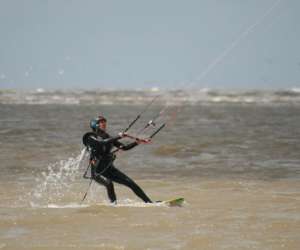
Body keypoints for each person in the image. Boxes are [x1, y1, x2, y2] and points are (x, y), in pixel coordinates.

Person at [82, 115, 152, 204]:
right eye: (101, 122)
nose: (104, 124)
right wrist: (118, 136)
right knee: (109, 183)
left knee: (131, 183)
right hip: (97, 171)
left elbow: (124, 147)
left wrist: (137, 142)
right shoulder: (89, 137)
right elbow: (100, 143)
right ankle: (113, 205)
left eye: (104, 122)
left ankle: (149, 202)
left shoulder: (108, 137)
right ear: (95, 125)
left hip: (109, 168)